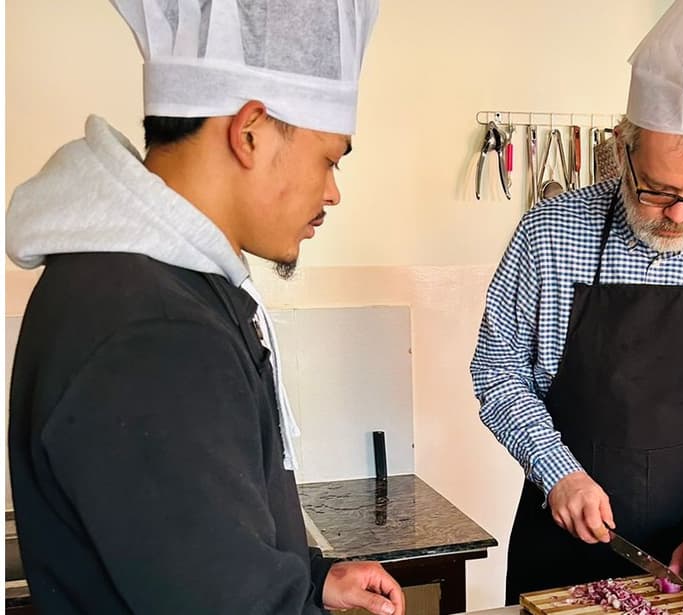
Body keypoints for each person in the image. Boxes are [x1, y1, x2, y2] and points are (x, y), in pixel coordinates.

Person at [6, 2, 404, 614]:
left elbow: (195, 555)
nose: (333, 191)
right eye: (329, 157)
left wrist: (309, 584)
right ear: (249, 132)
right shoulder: (152, 332)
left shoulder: (139, 283)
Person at [470, 0, 683, 605]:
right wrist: (559, 472)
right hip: (557, 544)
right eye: (656, 190)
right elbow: (498, 372)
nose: (679, 215)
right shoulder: (548, 234)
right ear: (621, 148)